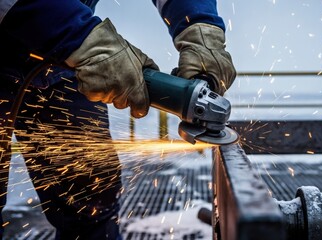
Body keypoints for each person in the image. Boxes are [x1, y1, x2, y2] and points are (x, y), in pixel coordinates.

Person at [0, 0, 236, 239]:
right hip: (64, 38)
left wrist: (201, 27)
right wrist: (81, 37)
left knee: (90, 196)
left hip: (65, 60)